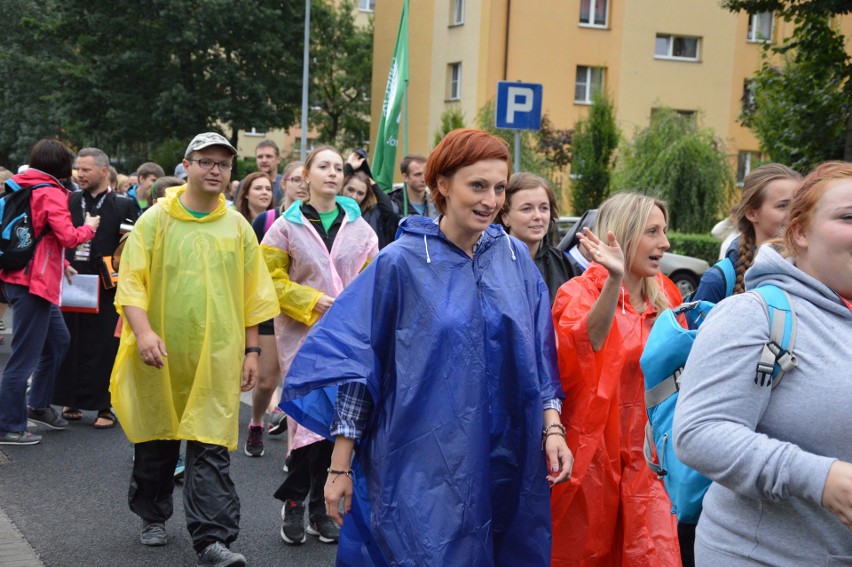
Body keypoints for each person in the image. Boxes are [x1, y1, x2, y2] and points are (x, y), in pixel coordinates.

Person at [280, 129, 572, 565]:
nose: (490, 200)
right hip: (420, 456)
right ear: (441, 185)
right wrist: (339, 466)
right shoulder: (401, 263)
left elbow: (538, 355)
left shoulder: (514, 258)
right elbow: (362, 368)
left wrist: (553, 428)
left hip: (506, 454)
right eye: (477, 186)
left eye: (497, 188)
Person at [109, 132, 278, 567]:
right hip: (160, 355)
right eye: (206, 161)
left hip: (216, 358)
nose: (215, 170)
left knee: (210, 448)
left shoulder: (237, 226)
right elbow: (130, 284)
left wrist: (252, 352)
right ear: (187, 165)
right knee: (157, 442)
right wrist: (144, 333)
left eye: (222, 164)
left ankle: (212, 541)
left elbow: (253, 295)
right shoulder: (155, 220)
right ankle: (152, 513)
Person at [673, 161, 852, 566]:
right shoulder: (752, 313)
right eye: (849, 217)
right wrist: (821, 479)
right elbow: (698, 433)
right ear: (800, 232)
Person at [550, 192, 683, 566]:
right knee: (587, 553)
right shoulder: (579, 291)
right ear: (623, 235)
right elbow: (585, 344)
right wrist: (614, 280)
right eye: (652, 232)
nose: (665, 243)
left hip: (649, 458)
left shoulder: (666, 295)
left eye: (665, 231)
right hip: (593, 455)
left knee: (653, 553)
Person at [261, 145, 379, 546]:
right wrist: (310, 300)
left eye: (338, 168)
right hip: (302, 337)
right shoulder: (283, 228)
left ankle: (316, 508)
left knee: (337, 423)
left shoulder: (362, 230)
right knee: (305, 423)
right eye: (323, 166)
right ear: (305, 175)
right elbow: (268, 280)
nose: (332, 173)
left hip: (348, 340)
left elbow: (373, 283)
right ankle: (296, 502)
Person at [0, 139, 100, 445]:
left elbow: (38, 235)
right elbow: (69, 236)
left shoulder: (20, 185)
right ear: (61, 166)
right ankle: (9, 426)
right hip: (34, 282)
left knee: (58, 341)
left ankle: (38, 405)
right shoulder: (50, 192)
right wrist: (90, 226)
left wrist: (61, 265)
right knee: (23, 359)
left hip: (21, 275)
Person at [53, 147, 140, 429]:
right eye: (78, 169)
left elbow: (130, 247)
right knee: (70, 340)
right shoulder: (69, 200)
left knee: (105, 345)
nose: (80, 174)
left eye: (86, 170)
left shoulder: (124, 205)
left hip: (107, 286)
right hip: (71, 279)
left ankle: (105, 405)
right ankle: (70, 399)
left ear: (104, 171)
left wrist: (117, 273)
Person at [693, 163, 801, 303]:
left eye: (799, 205)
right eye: (783, 205)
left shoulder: (814, 270)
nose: (795, 214)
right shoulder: (717, 280)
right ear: (752, 213)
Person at [499, 172, 578, 304]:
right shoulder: (489, 264)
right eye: (526, 209)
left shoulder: (565, 266)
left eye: (543, 208)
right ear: (505, 217)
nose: (538, 216)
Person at [341, 151, 400, 248]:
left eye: (360, 193)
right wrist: (348, 167)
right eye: (350, 190)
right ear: (342, 187)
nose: (354, 196)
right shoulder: (333, 208)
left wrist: (373, 184)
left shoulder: (371, 213)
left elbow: (388, 210)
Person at [389, 154, 438, 218]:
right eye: (418, 174)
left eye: (426, 174)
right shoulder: (392, 206)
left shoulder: (437, 206)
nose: (423, 179)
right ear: (405, 177)